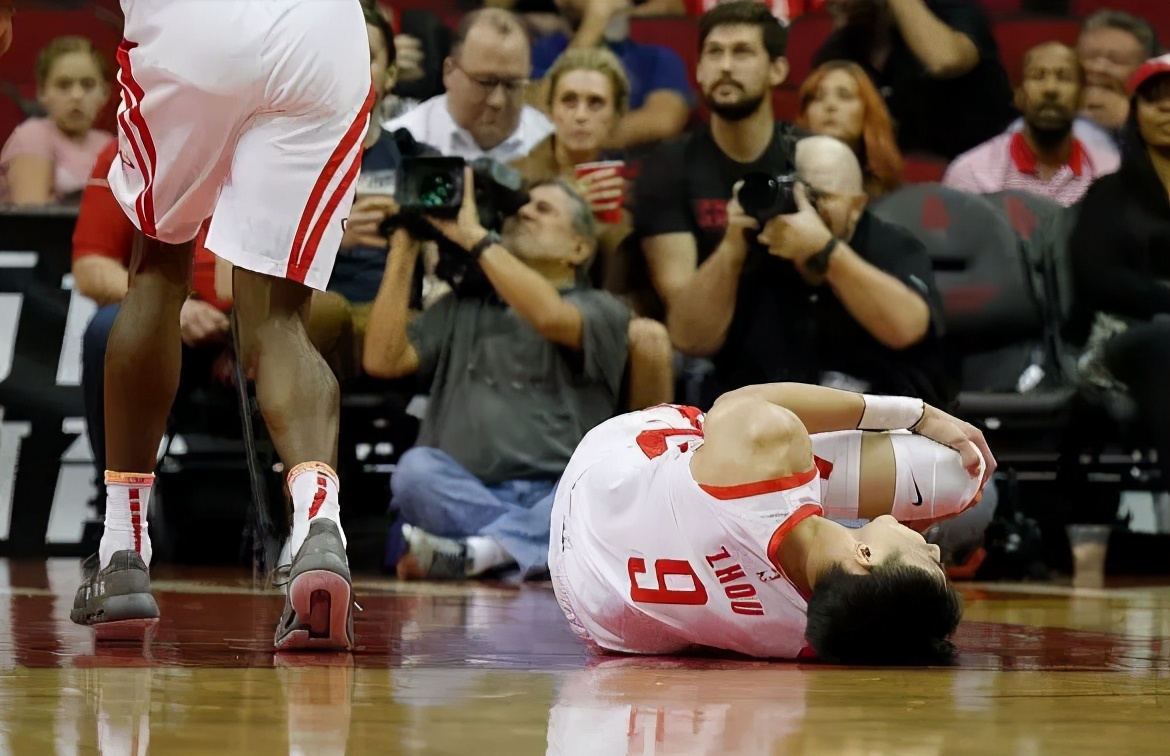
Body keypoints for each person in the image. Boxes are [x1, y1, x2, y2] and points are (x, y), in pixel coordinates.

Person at [68, 0, 374, 652]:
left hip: (194, 24)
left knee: (155, 275)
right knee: (284, 319)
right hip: (318, 33)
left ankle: (123, 552)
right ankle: (319, 524)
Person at [549, 381, 995, 664]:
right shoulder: (823, 639)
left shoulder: (768, 451)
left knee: (953, 474)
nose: (936, 549)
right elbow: (892, 618)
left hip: (596, 484)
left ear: (866, 553)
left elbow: (739, 402)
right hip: (600, 615)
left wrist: (917, 413)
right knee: (947, 483)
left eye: (930, 562)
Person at [364, 174, 631, 581]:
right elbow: (383, 361)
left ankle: (480, 552)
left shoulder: (601, 308)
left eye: (543, 209)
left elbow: (548, 316)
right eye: (520, 206)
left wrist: (473, 235)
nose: (523, 211)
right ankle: (513, 553)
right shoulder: (463, 306)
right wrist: (405, 245)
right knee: (414, 471)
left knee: (596, 488)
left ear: (579, 248)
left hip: (555, 492)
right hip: (462, 490)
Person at [1068, 54, 1170, 492]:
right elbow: (1097, 277)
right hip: (1118, 336)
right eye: (1154, 100)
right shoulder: (1108, 193)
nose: (1166, 108)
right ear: (1136, 114)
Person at [812, 0, 1014, 159]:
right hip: (894, 182)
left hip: (979, 173)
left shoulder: (948, 7)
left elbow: (946, 61)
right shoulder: (839, 48)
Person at [944, 42, 1120, 208]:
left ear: (1082, 96)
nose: (1050, 89)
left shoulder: (1112, 172)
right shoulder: (973, 173)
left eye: (1064, 77)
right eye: (1038, 76)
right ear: (1019, 95)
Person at [384, 8, 553, 163]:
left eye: (512, 85)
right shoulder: (398, 145)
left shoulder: (550, 144)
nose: (498, 101)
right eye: (486, 82)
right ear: (449, 71)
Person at [530, 0, 692, 150]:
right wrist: (594, 24)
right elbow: (534, 115)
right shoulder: (543, 52)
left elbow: (665, 121)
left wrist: (577, 133)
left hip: (633, 172)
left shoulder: (658, 57)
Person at [0, 36, 113, 205]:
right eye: (64, 85)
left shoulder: (110, 144)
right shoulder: (32, 135)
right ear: (42, 93)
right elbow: (32, 222)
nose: (77, 96)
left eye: (88, 84)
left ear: (105, 93)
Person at [796, 60, 903, 199]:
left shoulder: (892, 199)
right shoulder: (783, 177)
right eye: (818, 97)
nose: (830, 105)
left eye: (844, 96)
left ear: (867, 111)